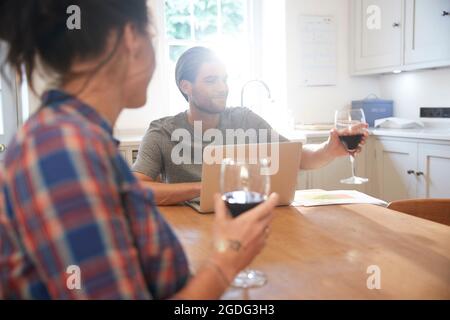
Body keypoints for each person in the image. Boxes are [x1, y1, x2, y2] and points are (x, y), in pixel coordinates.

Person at [0, 0, 279, 299]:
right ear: (132, 38)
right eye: (152, 36)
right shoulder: (65, 151)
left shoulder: (75, 139)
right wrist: (227, 259)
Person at [133, 47, 368, 205]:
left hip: (244, 217)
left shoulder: (244, 119)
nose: (223, 88)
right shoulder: (162, 131)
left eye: (224, 79)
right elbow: (137, 189)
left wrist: (329, 150)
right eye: (211, 80)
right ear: (187, 87)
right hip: (188, 226)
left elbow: (296, 158)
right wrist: (205, 188)